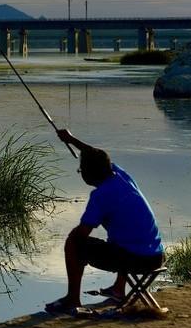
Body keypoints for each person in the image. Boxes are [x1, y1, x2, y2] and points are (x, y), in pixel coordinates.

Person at [45, 128, 164, 315]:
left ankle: (72, 299)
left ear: (88, 174)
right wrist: (71, 139)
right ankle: (118, 289)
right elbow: (96, 155)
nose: (81, 172)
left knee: (73, 242)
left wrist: (73, 238)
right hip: (156, 257)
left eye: (80, 170)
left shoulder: (101, 195)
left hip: (137, 261)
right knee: (123, 235)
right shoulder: (122, 177)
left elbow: (82, 234)